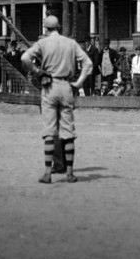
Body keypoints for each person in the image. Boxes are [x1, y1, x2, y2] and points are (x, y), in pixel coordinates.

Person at [20, 15, 93, 184]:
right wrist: (78, 83)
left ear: (46, 28)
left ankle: (47, 173)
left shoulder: (43, 43)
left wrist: (38, 71)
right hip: (67, 85)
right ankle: (69, 173)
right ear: (59, 26)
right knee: (68, 132)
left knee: (49, 132)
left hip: (49, 86)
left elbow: (24, 58)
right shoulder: (70, 43)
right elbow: (88, 63)